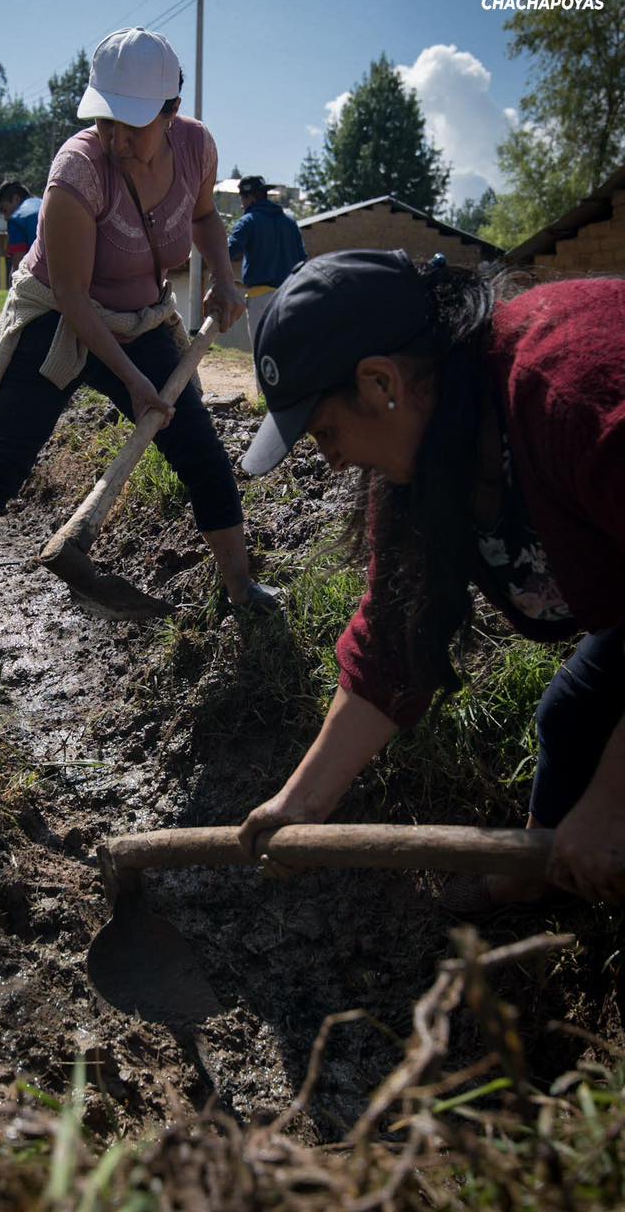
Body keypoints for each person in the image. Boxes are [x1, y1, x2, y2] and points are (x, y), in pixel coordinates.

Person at [237, 249, 625, 907]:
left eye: (326, 432)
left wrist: (614, 802)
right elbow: (393, 642)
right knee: (576, 719)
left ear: (381, 383)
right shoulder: (429, 454)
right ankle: (544, 879)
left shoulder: (568, 390)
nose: (330, 463)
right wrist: (298, 806)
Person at [0, 27, 279, 614]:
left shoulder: (198, 149)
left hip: (141, 318)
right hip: (60, 320)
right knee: (0, 465)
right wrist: (133, 381)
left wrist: (225, 280)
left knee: (200, 451)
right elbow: (74, 296)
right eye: (106, 121)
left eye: (132, 124)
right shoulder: (77, 171)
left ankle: (241, 588)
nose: (116, 138)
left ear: (171, 111)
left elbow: (204, 217)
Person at [227, 175, 306, 350]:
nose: (241, 204)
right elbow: (303, 261)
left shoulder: (248, 221)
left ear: (252, 197)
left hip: (261, 298)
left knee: (263, 353)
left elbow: (229, 252)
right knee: (286, 353)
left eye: (242, 198)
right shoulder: (290, 222)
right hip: (289, 297)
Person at [0, 180, 43, 274]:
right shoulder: (46, 204)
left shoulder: (17, 219)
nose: (5, 218)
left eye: (4, 210)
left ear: (16, 199)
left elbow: (18, 268)